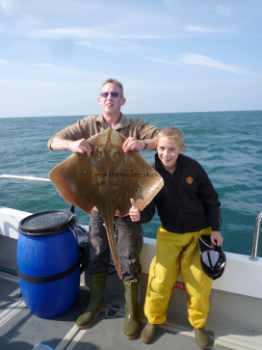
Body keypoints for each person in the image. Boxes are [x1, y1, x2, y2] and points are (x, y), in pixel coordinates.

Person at [48, 78, 159, 339]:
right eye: (105, 94)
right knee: (97, 252)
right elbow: (52, 141)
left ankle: (134, 312)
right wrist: (72, 145)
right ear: (100, 100)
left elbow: (163, 138)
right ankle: (95, 303)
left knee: (129, 254)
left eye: (115, 94)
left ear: (123, 100)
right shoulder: (87, 124)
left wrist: (142, 144)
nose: (109, 97)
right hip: (96, 201)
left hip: (127, 200)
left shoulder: (135, 126)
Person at [129, 127, 223, 349]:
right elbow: (149, 211)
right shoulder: (151, 174)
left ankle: (199, 326)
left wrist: (215, 229)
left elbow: (211, 200)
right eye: (161, 148)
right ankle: (154, 320)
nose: (165, 154)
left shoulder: (193, 168)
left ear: (181, 149)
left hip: (200, 235)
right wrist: (138, 214)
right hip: (169, 235)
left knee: (199, 283)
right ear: (156, 148)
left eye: (171, 149)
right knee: (159, 280)